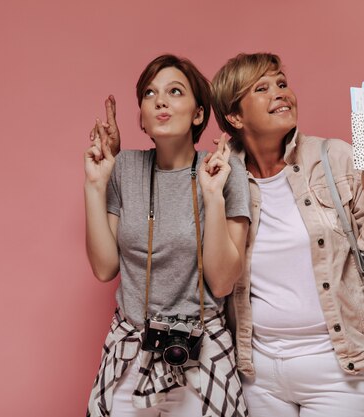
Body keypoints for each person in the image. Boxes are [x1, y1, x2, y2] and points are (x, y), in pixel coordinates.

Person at [210, 53, 364, 417]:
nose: (280, 93)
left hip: (341, 367)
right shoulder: (219, 176)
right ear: (235, 117)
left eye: (282, 84)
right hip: (258, 371)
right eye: (262, 89)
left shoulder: (335, 158)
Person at [83, 54, 250, 417]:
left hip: (201, 350)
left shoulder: (224, 170)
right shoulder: (124, 167)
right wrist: (95, 186)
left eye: (175, 91)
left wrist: (211, 195)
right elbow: (104, 267)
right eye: (149, 93)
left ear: (198, 113)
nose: (160, 100)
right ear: (141, 117)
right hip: (131, 345)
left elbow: (222, 283)